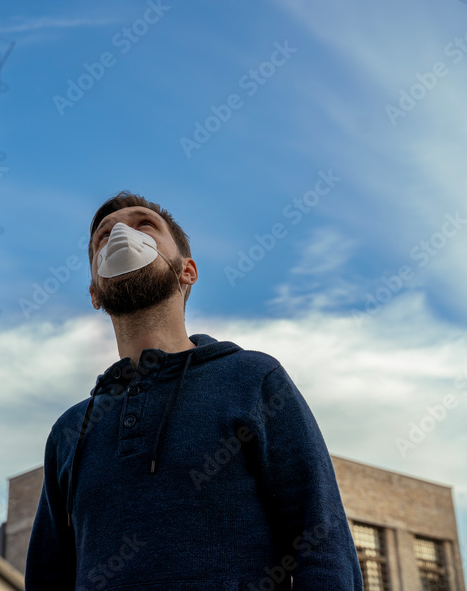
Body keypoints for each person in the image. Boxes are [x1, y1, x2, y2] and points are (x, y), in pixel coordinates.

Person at [24, 191, 363, 590]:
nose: (119, 234)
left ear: (187, 271)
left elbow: (321, 544)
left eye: (144, 225)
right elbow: (48, 578)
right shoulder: (69, 432)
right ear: (95, 293)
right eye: (103, 235)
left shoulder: (253, 379)